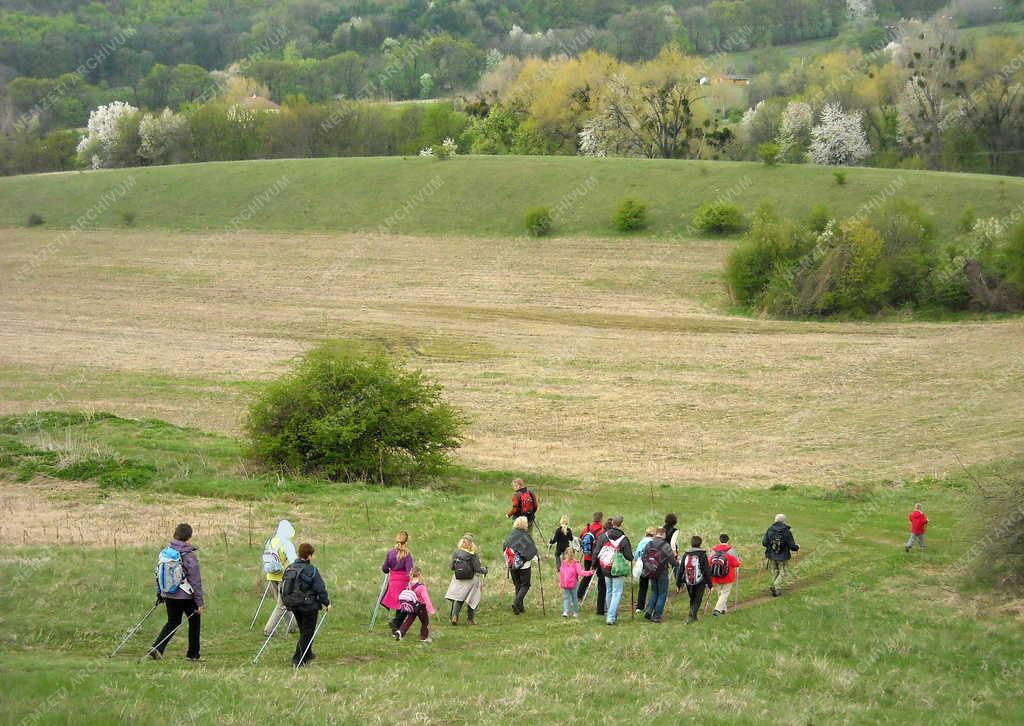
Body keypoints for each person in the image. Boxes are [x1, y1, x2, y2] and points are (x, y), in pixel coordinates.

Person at [149, 523, 204, 661]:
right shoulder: (189, 555)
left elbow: (159, 574)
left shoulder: (166, 552)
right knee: (194, 623)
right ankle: (193, 655)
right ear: (189, 536)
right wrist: (199, 603)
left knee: (172, 622)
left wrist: (160, 594)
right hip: (186, 596)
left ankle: (157, 648)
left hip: (168, 594)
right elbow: (195, 580)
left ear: (175, 534)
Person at [283, 542, 330, 667]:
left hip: (294, 605)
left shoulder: (290, 567)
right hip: (308, 606)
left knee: (304, 630)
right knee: (307, 632)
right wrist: (327, 603)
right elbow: (320, 588)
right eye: (312, 554)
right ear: (309, 556)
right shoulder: (311, 570)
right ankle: (298, 659)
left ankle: (307, 653)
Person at [593, 515, 633, 625]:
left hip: (605, 567)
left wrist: (593, 565)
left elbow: (596, 551)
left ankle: (612, 614)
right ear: (621, 524)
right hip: (617, 568)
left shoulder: (603, 536)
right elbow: (629, 556)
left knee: (609, 591)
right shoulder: (623, 538)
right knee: (617, 592)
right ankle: (611, 617)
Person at [262, 519, 299, 637]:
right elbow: (294, 561)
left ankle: (293, 626)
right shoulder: (286, 543)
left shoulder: (271, 541)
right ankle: (269, 629)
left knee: (284, 603)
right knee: (282, 605)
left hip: (271, 575)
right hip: (285, 577)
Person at [445, 534, 488, 625]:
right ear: (471, 544)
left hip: (458, 579)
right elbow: (477, 569)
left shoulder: (456, 553)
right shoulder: (473, 555)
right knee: (472, 599)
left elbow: (452, 567)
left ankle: (454, 616)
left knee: (459, 598)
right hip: (471, 579)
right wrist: (484, 570)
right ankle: (470, 620)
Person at [641, 527, 678, 623]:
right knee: (662, 594)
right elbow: (672, 560)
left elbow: (643, 557)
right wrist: (677, 563)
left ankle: (649, 611)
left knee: (654, 592)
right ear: (663, 534)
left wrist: (648, 567)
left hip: (651, 571)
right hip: (662, 572)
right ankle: (657, 616)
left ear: (656, 533)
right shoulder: (665, 545)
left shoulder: (649, 544)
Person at [503, 516, 539, 614]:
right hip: (524, 565)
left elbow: (504, 547)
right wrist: (536, 557)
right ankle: (516, 603)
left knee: (517, 585)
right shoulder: (526, 536)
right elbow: (532, 550)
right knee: (525, 585)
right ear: (525, 524)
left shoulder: (510, 536)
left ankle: (519, 607)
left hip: (512, 565)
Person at [381, 531, 414, 634]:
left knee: (399, 604)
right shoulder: (407, 554)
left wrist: (389, 570)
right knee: (406, 604)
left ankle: (396, 629)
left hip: (393, 582)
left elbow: (385, 568)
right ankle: (396, 622)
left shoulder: (390, 553)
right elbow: (410, 571)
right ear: (406, 541)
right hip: (403, 582)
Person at [395, 567, 436, 643]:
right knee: (425, 622)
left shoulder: (409, 584)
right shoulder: (421, 587)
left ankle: (400, 632)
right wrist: (431, 609)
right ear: (419, 574)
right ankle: (424, 638)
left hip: (412, 605)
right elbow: (426, 598)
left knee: (409, 620)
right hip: (421, 607)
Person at [763, 514, 800, 597]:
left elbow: (764, 543)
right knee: (783, 573)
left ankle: (774, 585)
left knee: (775, 571)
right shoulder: (786, 531)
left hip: (771, 555)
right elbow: (792, 546)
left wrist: (772, 546)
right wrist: (797, 547)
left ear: (775, 520)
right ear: (783, 521)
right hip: (783, 557)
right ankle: (776, 587)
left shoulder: (770, 529)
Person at [679, 535, 712, 623]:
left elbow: (681, 569)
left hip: (688, 581)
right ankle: (690, 616)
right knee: (697, 599)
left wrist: (678, 583)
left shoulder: (686, 554)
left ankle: (694, 616)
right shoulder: (702, 554)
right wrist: (710, 584)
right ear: (700, 543)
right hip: (700, 581)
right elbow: (706, 570)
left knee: (692, 598)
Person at [710, 533, 742, 616]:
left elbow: (709, 562)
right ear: (728, 540)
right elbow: (737, 563)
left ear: (719, 540)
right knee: (725, 593)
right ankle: (717, 609)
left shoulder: (713, 550)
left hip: (715, 576)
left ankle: (723, 609)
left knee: (720, 593)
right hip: (728, 576)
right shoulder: (731, 551)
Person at [576, 512, 603, 607]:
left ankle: (579, 594)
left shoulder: (586, 528)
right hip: (597, 557)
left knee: (587, 575)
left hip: (587, 556)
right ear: (601, 519)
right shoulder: (601, 530)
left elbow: (580, 539)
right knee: (601, 577)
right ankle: (601, 596)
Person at [558, 548, 593, 618]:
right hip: (572, 583)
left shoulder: (564, 563)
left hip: (565, 584)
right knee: (574, 598)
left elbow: (561, 573)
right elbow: (580, 572)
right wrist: (590, 572)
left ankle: (566, 612)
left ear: (565, 554)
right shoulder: (575, 563)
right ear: (574, 554)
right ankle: (575, 612)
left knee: (567, 598)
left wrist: (561, 582)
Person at [633, 526, 657, 614]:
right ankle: (652, 606)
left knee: (643, 586)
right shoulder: (653, 542)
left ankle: (639, 606)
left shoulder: (642, 541)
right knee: (654, 587)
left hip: (642, 565)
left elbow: (636, 555)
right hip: (652, 565)